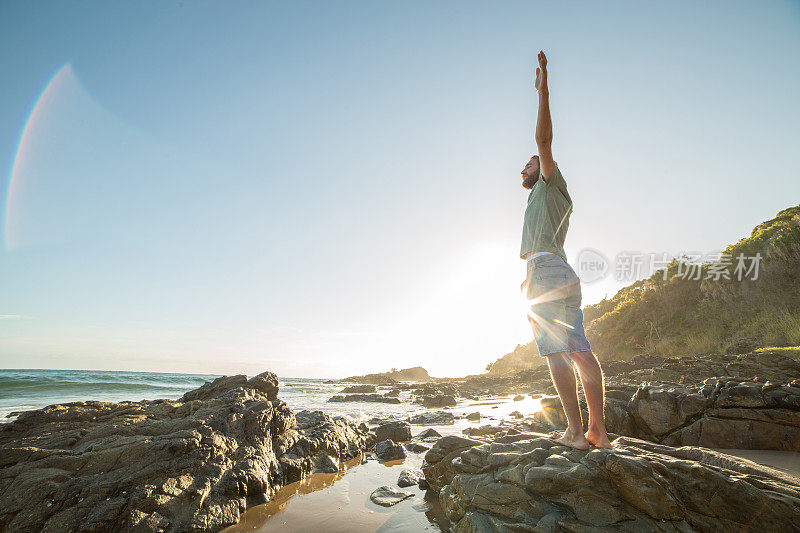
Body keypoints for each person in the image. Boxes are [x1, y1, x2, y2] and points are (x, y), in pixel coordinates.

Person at [520, 50, 612, 449]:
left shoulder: (550, 184)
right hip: (557, 271)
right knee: (579, 349)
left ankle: (576, 432)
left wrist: (544, 91)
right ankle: (598, 432)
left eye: (530, 163)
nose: (523, 168)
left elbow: (543, 139)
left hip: (549, 272)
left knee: (558, 353)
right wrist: (526, 283)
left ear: (544, 167)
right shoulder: (547, 199)